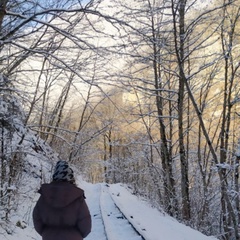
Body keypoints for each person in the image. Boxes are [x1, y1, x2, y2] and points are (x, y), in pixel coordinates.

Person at [33, 160, 92, 240]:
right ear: (70, 176)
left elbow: (37, 219)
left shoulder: (44, 195)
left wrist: (47, 233)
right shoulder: (77, 196)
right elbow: (86, 226)